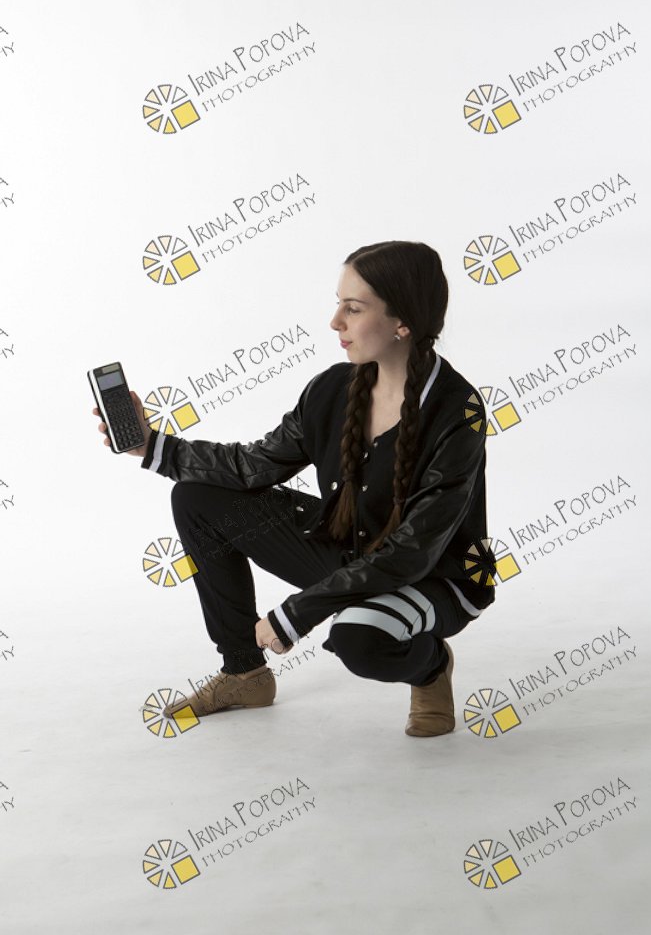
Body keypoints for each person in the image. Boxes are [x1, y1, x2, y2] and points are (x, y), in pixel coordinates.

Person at [92, 240, 496, 737]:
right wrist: (153, 446)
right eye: (338, 304)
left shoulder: (458, 409)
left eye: (353, 308)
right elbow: (253, 466)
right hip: (351, 552)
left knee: (358, 639)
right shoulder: (332, 388)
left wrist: (297, 613)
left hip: (434, 576)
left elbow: (414, 550)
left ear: (402, 322)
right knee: (196, 498)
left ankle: (430, 668)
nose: (335, 322)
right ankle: (244, 674)